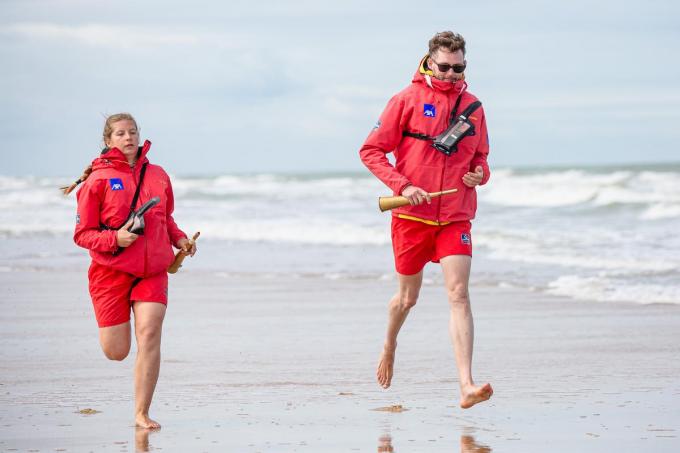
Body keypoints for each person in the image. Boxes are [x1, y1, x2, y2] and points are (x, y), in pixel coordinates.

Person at [359, 31, 493, 409]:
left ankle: (466, 385)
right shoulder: (406, 100)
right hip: (411, 216)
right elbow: (370, 151)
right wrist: (403, 185)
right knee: (408, 298)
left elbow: (482, 158)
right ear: (429, 62)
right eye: (445, 67)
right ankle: (389, 344)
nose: (452, 74)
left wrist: (479, 173)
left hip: (455, 215)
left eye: (459, 68)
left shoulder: (474, 107)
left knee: (459, 294)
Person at [67, 113, 196, 428]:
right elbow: (82, 235)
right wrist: (116, 238)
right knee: (117, 351)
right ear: (109, 140)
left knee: (150, 333)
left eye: (133, 132)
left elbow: (165, 219)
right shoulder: (97, 181)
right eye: (121, 133)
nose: (128, 138)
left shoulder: (159, 175)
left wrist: (179, 239)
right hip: (109, 272)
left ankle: (141, 413)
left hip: (152, 271)